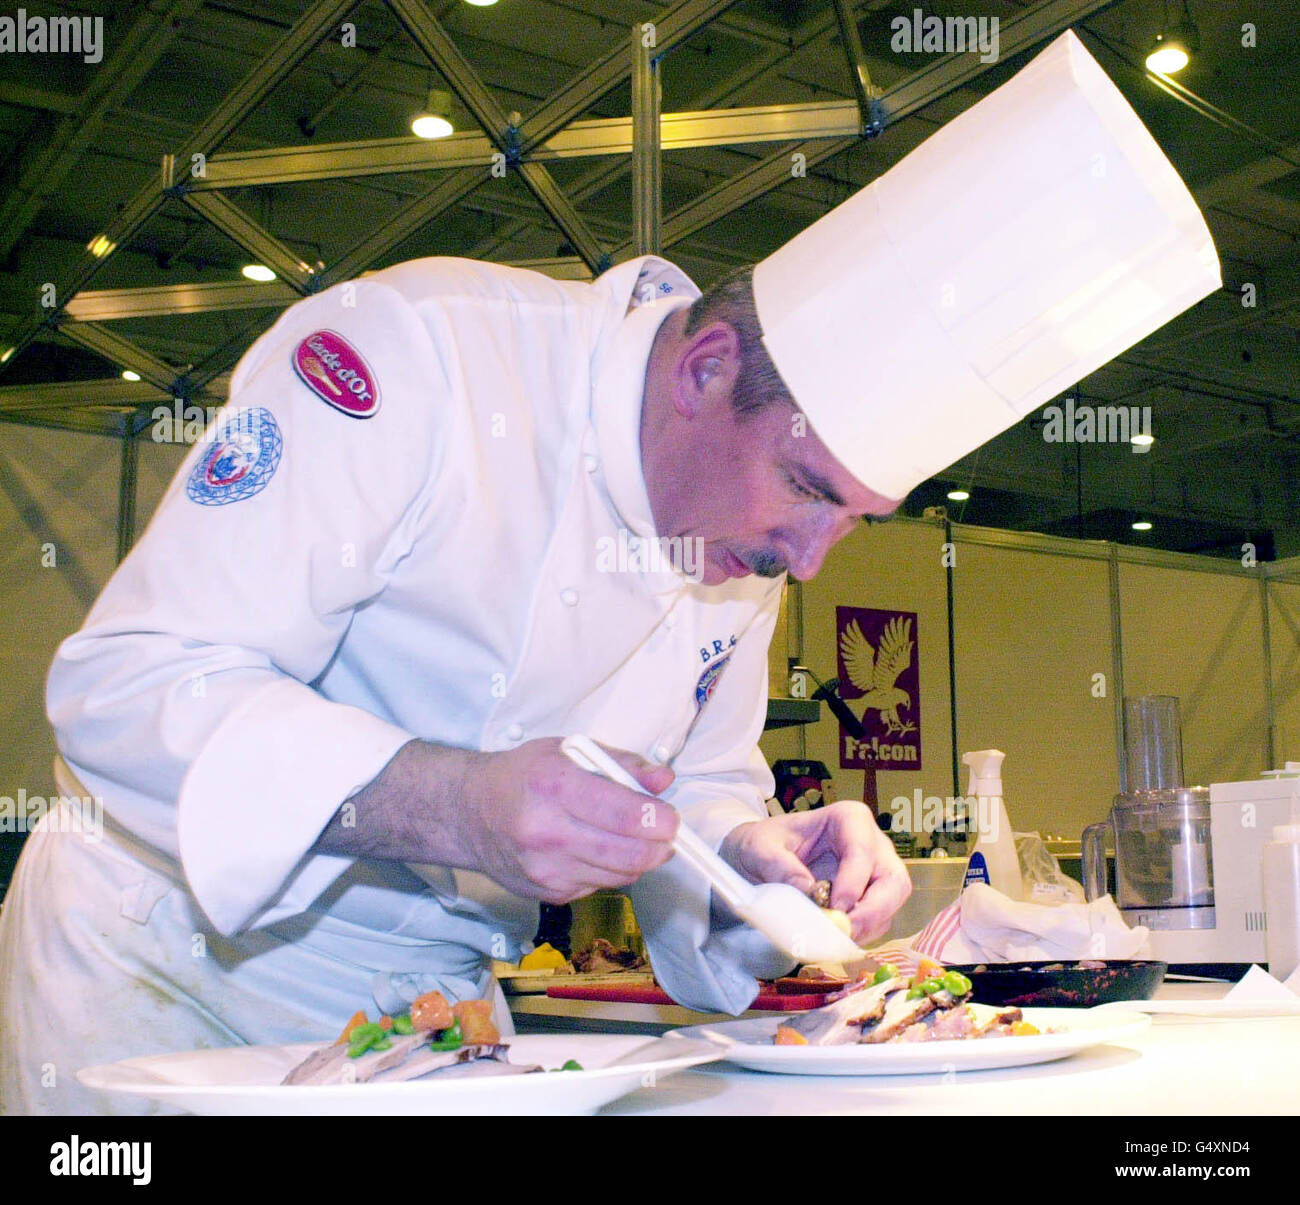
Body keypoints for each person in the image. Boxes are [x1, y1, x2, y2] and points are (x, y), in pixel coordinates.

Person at [0, 30, 1219, 1114]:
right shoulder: (413, 358)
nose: (805, 556)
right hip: (157, 975)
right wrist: (451, 797)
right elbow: (129, 686)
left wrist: (753, 857)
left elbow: (693, 789)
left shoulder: (745, 545)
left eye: (855, 517)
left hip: (424, 1019)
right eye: (807, 489)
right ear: (704, 370)